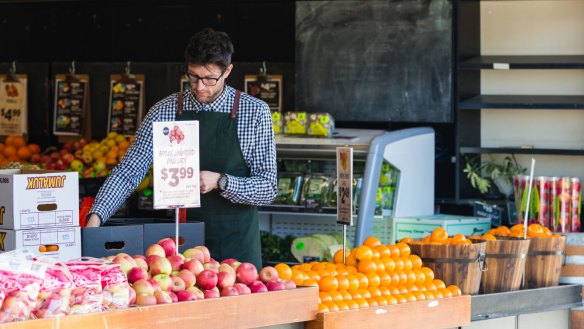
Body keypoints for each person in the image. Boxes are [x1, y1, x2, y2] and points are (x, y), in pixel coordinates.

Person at [86, 27, 278, 269]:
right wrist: (95, 219)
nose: (199, 87)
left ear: (228, 71)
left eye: (209, 79)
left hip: (235, 250)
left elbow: (268, 188)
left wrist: (221, 181)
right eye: (193, 76)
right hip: (179, 249)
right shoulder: (164, 110)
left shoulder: (254, 113)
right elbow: (129, 172)